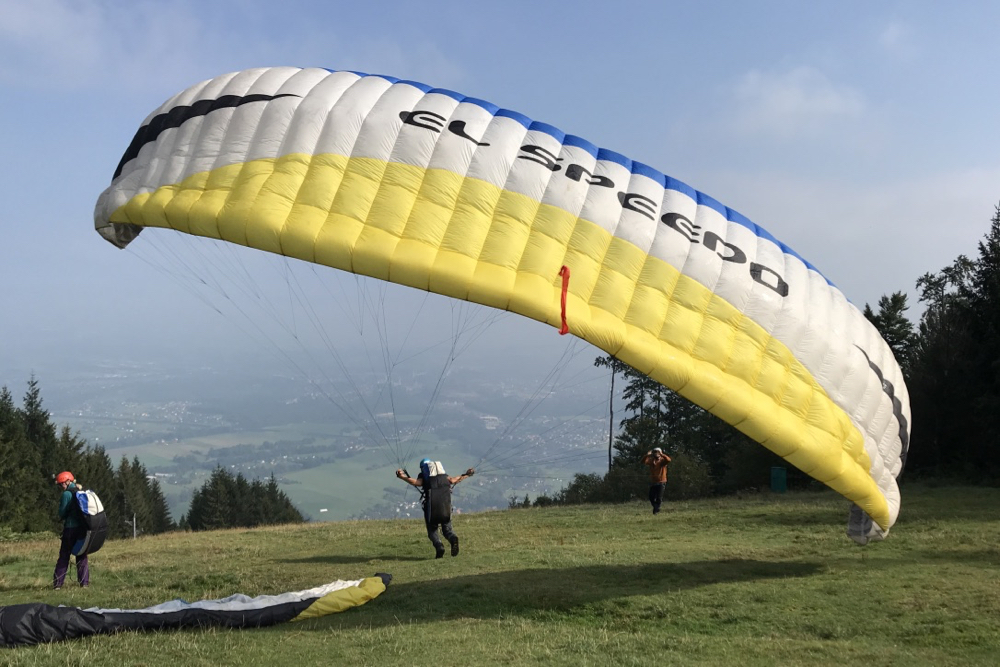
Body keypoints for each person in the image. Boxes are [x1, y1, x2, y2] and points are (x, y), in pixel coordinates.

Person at [395, 459, 475, 559]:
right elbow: (453, 480)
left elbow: (416, 482)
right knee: (447, 529)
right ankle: (453, 538)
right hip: (446, 507)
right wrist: (467, 474)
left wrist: (402, 477)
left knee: (432, 531)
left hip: (432, 508)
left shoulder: (423, 475)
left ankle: (439, 546)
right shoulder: (443, 476)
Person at [52, 471, 90, 589]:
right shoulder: (81, 491)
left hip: (70, 528)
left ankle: (58, 584)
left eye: (62, 483)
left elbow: (62, 513)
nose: (61, 486)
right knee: (81, 555)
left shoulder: (66, 494)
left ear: (68, 481)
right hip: (82, 528)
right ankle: (84, 583)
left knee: (64, 556)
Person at [641, 448, 671, 515]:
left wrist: (662, 454)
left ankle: (655, 510)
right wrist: (647, 455)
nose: (656, 454)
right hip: (653, 482)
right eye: (655, 452)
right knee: (651, 497)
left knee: (659, 498)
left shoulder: (663, 461)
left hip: (662, 481)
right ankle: (656, 508)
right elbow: (643, 461)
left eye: (657, 452)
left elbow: (669, 460)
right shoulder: (651, 461)